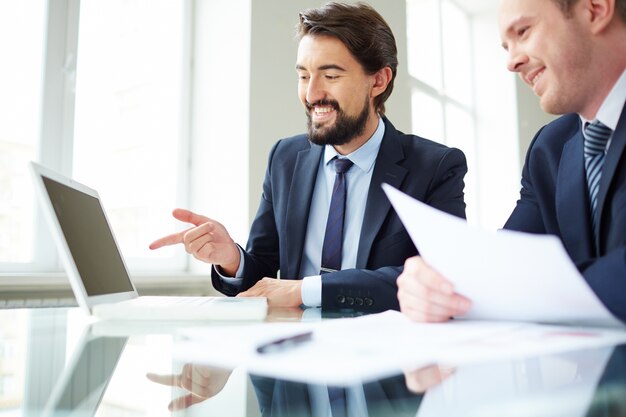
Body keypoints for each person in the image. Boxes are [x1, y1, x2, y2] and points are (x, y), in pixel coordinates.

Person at [150, 2, 467, 311]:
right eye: (304, 76)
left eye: (331, 76)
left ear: (379, 80)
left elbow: (440, 277)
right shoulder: (285, 158)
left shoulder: (436, 167)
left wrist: (306, 290)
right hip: (292, 346)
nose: (312, 94)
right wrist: (231, 258)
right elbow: (264, 272)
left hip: (386, 351)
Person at [397, 0, 626, 322]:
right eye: (506, 46)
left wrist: (504, 293)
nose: (511, 62)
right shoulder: (550, 149)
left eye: (523, 31)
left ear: (595, 9)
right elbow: (505, 264)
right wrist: (438, 287)